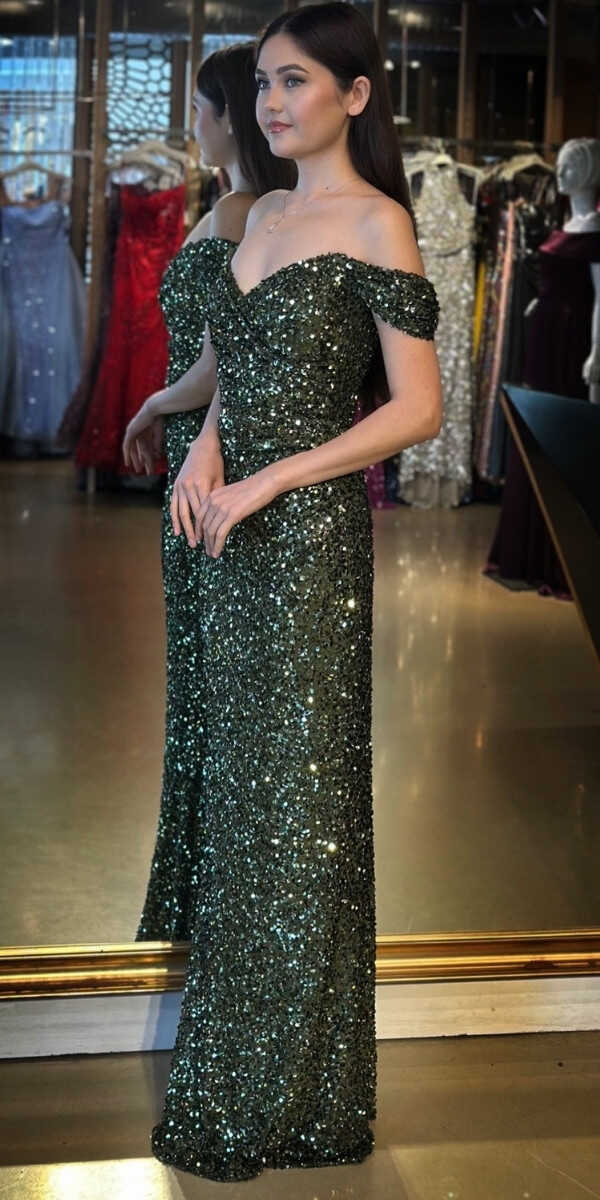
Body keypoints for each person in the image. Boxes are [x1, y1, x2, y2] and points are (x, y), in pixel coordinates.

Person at [150, 2, 442, 1181]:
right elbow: (236, 369)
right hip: (222, 536)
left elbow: (418, 409)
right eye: (263, 82)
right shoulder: (263, 213)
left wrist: (271, 475)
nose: (272, 103)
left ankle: (288, 1089)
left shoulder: (379, 222)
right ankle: (252, 1068)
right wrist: (206, 448)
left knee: (297, 805)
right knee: (241, 798)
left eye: (297, 81)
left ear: (355, 96)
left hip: (309, 544)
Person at [121, 43, 295, 940]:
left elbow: (228, 354)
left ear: (225, 116)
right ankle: (198, 897)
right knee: (200, 683)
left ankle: (204, 902)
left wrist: (159, 402)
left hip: (207, 450)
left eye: (199, 108)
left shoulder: (240, 213)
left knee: (205, 689)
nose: (191, 124)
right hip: (198, 440)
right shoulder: (239, 206)